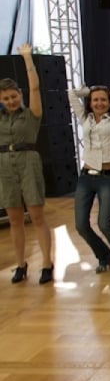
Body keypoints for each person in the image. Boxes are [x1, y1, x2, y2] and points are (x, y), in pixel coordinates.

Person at [68, 79, 110, 274]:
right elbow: (72, 94)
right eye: (95, 100)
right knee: (81, 225)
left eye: (103, 100)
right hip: (86, 177)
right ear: (90, 102)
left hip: (108, 177)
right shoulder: (84, 118)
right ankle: (103, 256)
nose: (99, 103)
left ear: (109, 102)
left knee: (104, 223)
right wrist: (91, 90)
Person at [0, 43, 53, 284]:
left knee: (36, 215)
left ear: (20, 95)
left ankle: (46, 263)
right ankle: (20, 264)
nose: (10, 101)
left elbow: (35, 85)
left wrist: (27, 58)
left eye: (13, 96)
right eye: (5, 98)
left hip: (28, 161)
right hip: (4, 165)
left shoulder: (31, 113)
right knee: (14, 218)